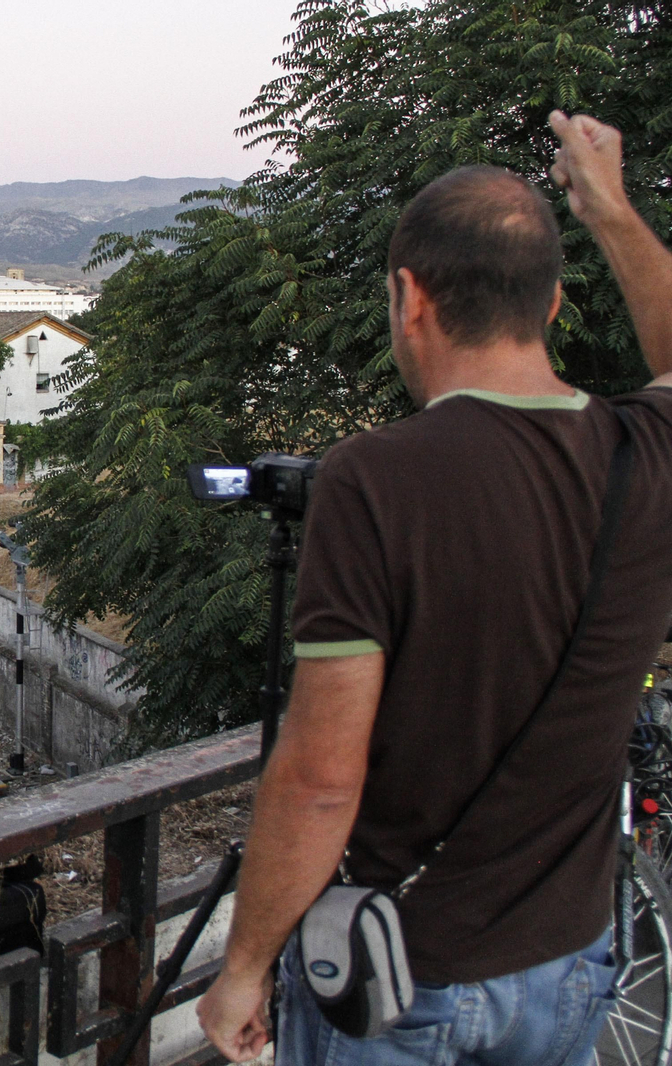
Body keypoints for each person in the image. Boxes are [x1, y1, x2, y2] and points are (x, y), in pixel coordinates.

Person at [196, 112, 672, 1064]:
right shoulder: (644, 456)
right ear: (551, 306)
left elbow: (323, 776)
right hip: (572, 964)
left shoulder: (376, 478)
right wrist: (611, 209)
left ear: (410, 299)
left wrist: (243, 966)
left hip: (396, 979)